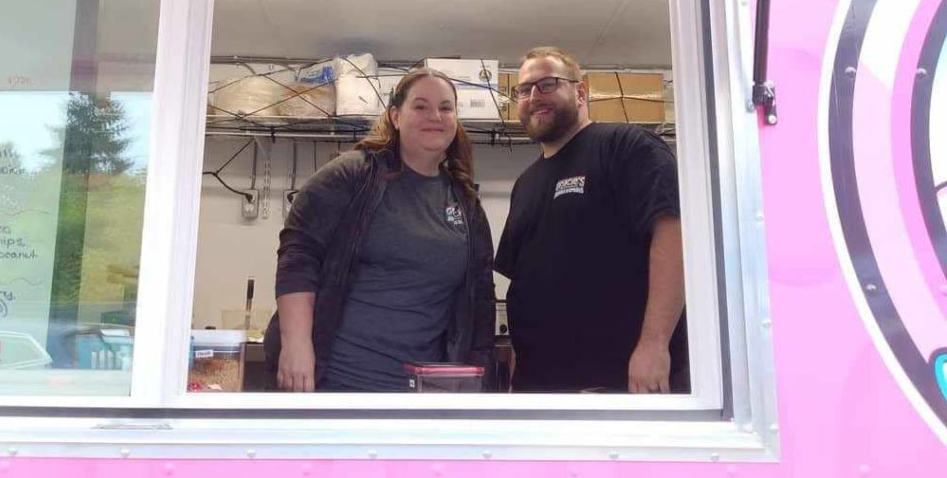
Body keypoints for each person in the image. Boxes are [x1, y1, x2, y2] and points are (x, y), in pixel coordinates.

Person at [264, 69, 495, 392]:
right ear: (395, 116)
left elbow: (480, 300)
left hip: (422, 393)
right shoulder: (353, 175)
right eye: (420, 106)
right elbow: (298, 256)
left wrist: (478, 382)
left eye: (446, 107)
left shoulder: (466, 203)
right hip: (335, 382)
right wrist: (295, 345)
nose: (435, 116)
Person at [494, 46, 689, 393]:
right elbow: (523, 286)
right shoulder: (525, 183)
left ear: (581, 92)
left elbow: (673, 235)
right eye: (524, 89)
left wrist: (654, 345)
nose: (534, 96)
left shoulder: (627, 147)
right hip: (541, 386)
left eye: (548, 84)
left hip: (618, 380)